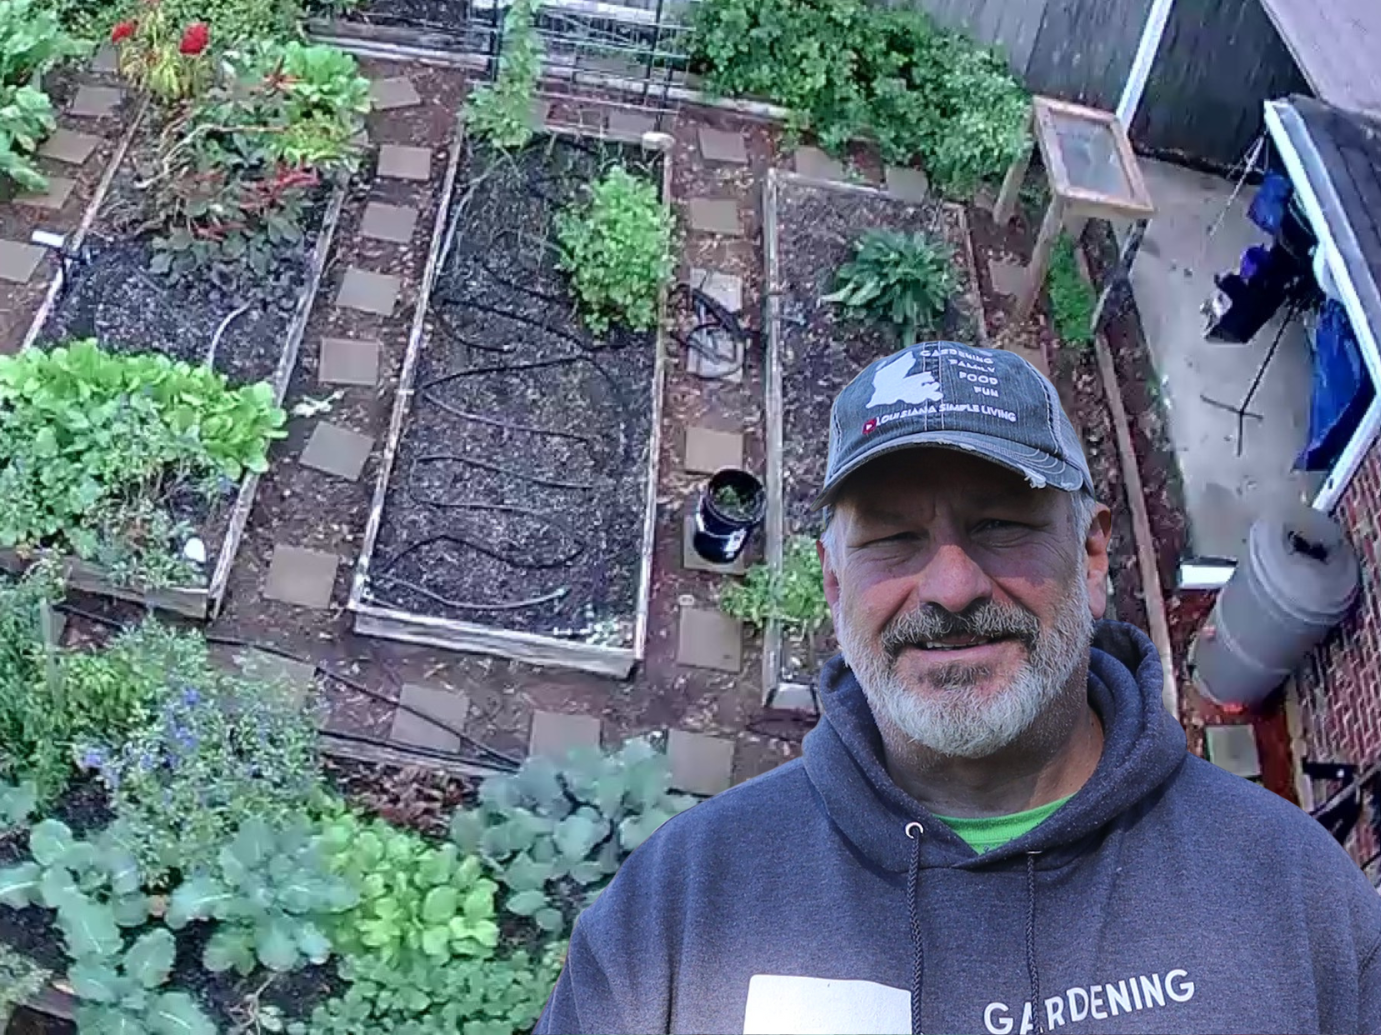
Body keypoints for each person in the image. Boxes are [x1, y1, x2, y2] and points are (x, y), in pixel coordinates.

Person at [538, 342, 1381, 1035]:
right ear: (833, 584)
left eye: (999, 524)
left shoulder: (1291, 895)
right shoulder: (679, 912)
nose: (948, 587)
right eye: (893, 537)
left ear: (1090, 556)